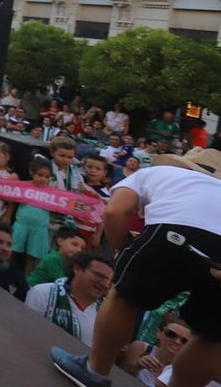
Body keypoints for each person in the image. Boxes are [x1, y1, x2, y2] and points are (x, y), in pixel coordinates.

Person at [51, 147, 221, 387]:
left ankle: (94, 371)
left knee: (124, 298)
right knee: (210, 336)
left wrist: (124, 250)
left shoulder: (161, 172)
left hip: (177, 230)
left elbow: (114, 212)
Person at [26, 250, 114, 346]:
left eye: (108, 280)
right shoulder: (43, 294)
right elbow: (26, 332)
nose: (105, 285)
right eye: (99, 276)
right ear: (77, 269)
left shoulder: (105, 314)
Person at [121, 315, 190, 387]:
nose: (177, 342)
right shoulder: (141, 348)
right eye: (171, 334)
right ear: (159, 333)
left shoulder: (183, 369)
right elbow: (120, 374)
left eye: (184, 341)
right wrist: (137, 366)